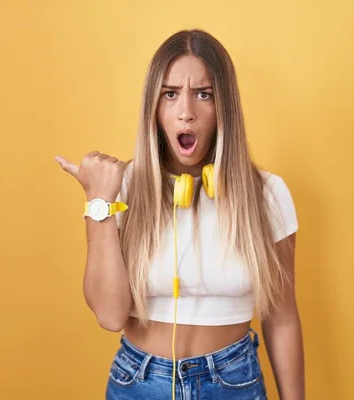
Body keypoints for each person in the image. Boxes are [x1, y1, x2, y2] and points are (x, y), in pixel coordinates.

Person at [55, 29, 305, 400]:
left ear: (224, 108)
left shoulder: (267, 194)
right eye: (170, 94)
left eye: (203, 94)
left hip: (233, 382)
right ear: (153, 109)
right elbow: (109, 316)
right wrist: (99, 204)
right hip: (139, 382)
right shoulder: (119, 189)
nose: (186, 113)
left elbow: (282, 318)